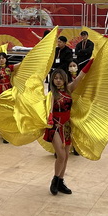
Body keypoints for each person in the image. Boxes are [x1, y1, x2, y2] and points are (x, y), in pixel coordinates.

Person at [43, 63, 89, 195]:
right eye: (55, 78)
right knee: (61, 155)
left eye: (60, 78)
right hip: (55, 127)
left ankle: (60, 182)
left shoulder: (69, 89)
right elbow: (49, 110)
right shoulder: (52, 94)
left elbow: (80, 77)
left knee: (66, 156)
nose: (58, 80)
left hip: (67, 127)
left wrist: (91, 61)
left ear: (64, 79)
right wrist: (50, 120)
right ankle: (55, 180)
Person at [0, 52, 15, 144]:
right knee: (1, 113)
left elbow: (21, 65)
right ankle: (4, 134)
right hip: (0, 92)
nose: (1, 60)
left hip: (9, 91)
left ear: (6, 59)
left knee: (10, 112)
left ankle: (9, 131)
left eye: (3, 58)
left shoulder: (10, 68)